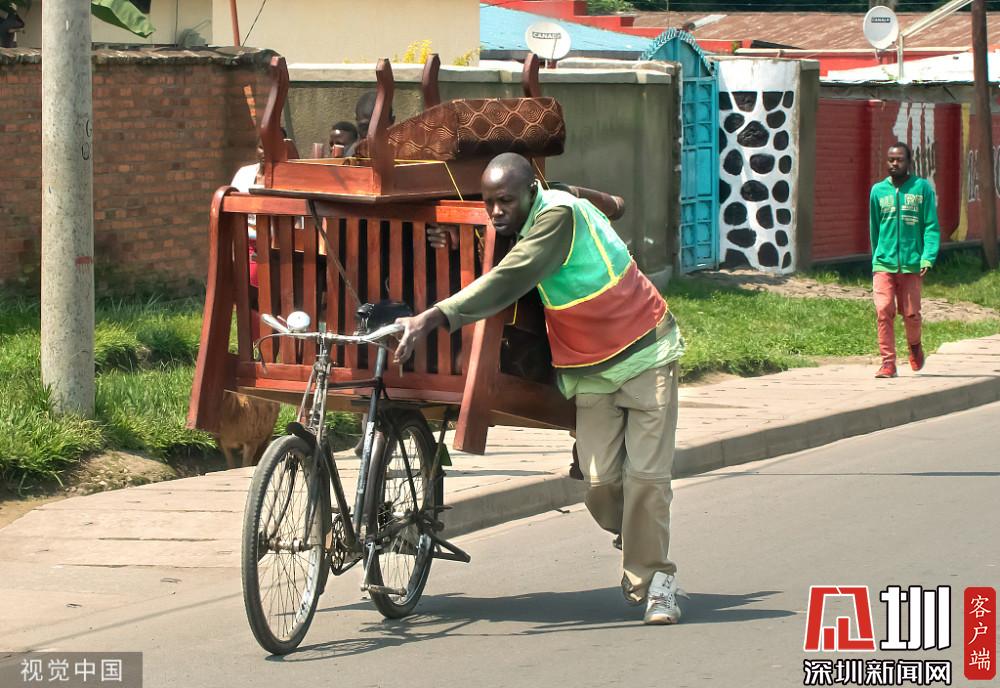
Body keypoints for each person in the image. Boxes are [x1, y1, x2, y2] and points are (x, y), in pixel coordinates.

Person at [394, 153, 686, 625]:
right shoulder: (532, 218)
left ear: (532, 191)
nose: (495, 211)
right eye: (488, 202)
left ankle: (657, 584)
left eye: (505, 201)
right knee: (600, 486)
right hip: (589, 369)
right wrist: (459, 240)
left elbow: (509, 277)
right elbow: (503, 255)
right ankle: (639, 536)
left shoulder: (557, 217)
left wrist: (433, 317)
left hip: (645, 352)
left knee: (647, 481)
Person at [869, 142, 940, 379]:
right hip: (884, 262)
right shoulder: (878, 191)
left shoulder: (922, 189)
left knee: (911, 314)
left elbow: (931, 226)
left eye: (899, 159)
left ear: (909, 162)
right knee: (883, 309)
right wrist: (877, 257)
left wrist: (927, 257)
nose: (894, 163)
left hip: (912, 263)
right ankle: (888, 363)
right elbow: (875, 228)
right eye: (891, 159)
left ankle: (915, 346)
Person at [345, 90, 395, 157]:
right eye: (365, 128)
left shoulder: (404, 154)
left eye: (378, 127)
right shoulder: (351, 157)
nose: (371, 135)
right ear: (357, 121)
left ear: (391, 122)